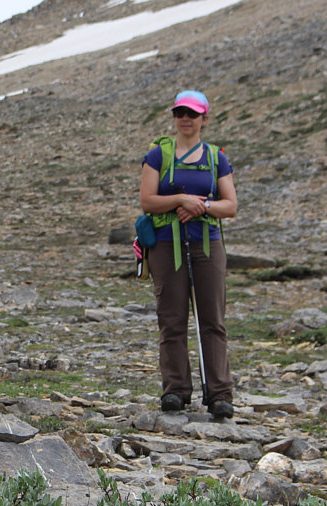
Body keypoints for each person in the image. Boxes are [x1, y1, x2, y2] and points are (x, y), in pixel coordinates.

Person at [139, 90, 238, 419]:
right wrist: (182, 201)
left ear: (204, 119)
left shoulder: (216, 158)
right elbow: (148, 201)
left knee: (213, 320)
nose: (185, 118)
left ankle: (220, 393)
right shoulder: (157, 155)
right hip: (166, 245)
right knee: (171, 319)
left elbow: (231, 206)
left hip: (206, 243)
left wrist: (203, 206)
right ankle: (176, 391)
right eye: (180, 112)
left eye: (192, 114)